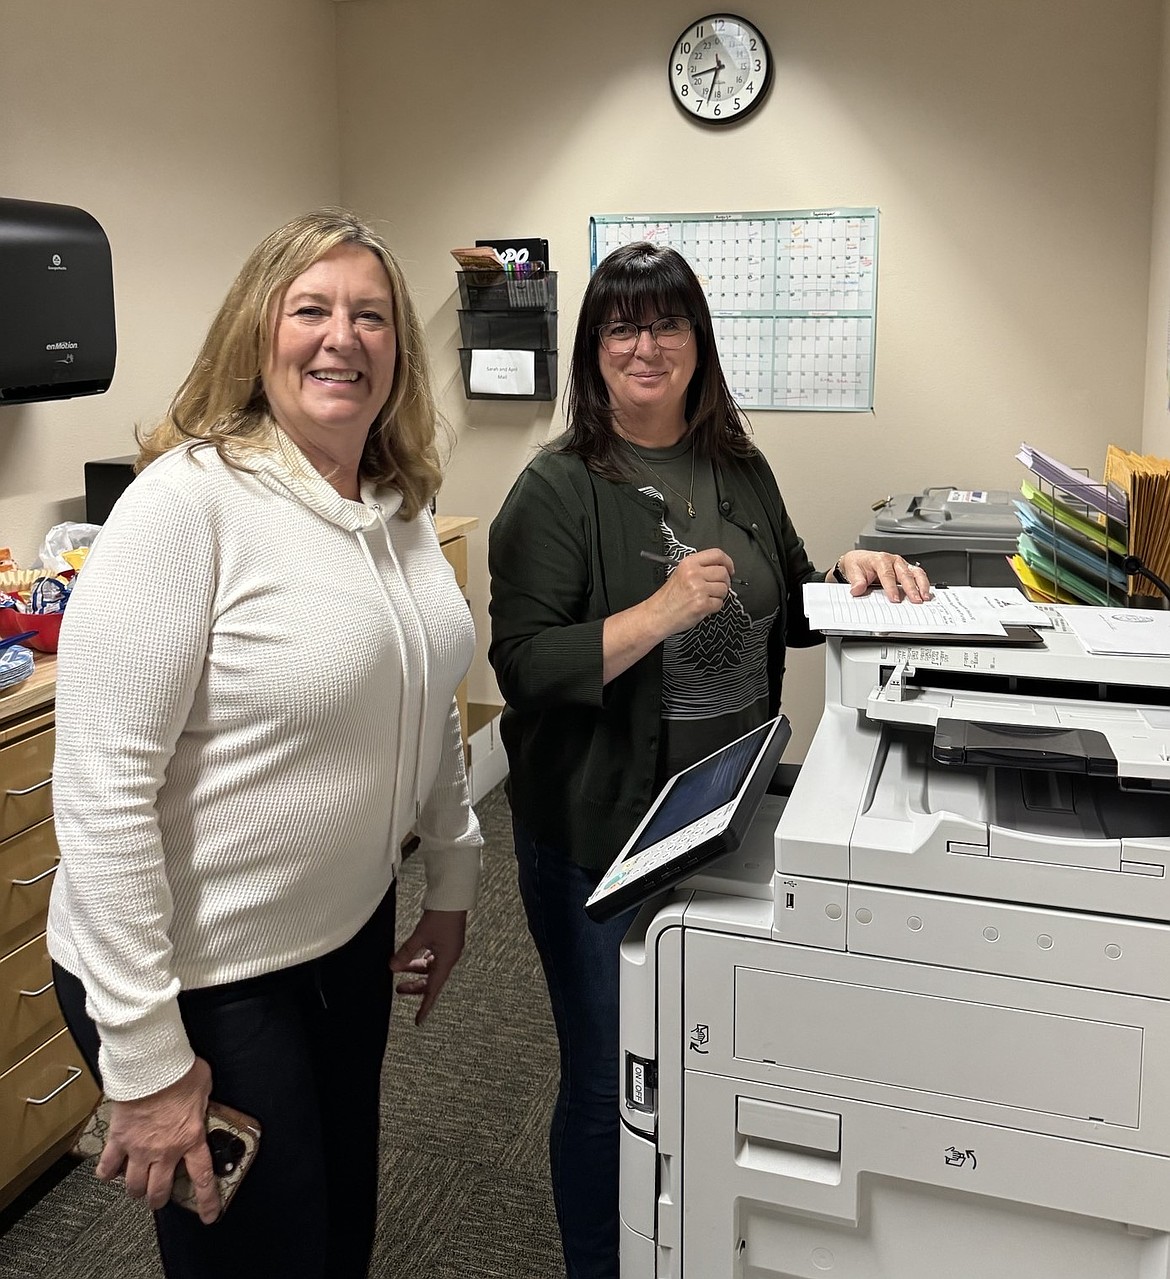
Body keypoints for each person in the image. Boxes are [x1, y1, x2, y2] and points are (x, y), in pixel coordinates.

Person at [47, 208, 482, 1279]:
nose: (344, 337)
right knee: (258, 1261)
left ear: (400, 351)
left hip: (344, 937)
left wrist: (454, 871)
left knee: (338, 1232)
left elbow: (426, 691)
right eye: (312, 310)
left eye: (372, 315)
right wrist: (145, 1061)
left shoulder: (397, 501)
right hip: (203, 971)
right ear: (258, 334)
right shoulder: (185, 505)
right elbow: (103, 793)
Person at [487, 240, 930, 1279]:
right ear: (594, 349)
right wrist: (656, 610)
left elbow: (786, 596)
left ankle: (681, 1242)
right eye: (621, 325)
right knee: (604, 1079)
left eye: (666, 322)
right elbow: (525, 665)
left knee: (694, 1062)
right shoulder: (553, 489)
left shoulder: (736, 463)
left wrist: (847, 577)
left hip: (721, 818)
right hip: (604, 833)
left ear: (698, 341)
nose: (646, 345)